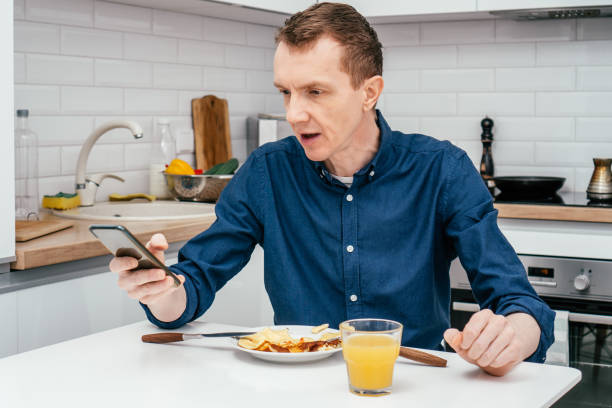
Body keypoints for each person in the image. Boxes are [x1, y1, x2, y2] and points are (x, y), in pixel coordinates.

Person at [109, 2, 554, 377]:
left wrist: (510, 336)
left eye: (315, 91)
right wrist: (160, 289)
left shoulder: (441, 170)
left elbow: (518, 302)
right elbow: (192, 288)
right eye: (286, 92)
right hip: (296, 387)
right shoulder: (267, 171)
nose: (295, 114)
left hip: (414, 386)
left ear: (369, 92)